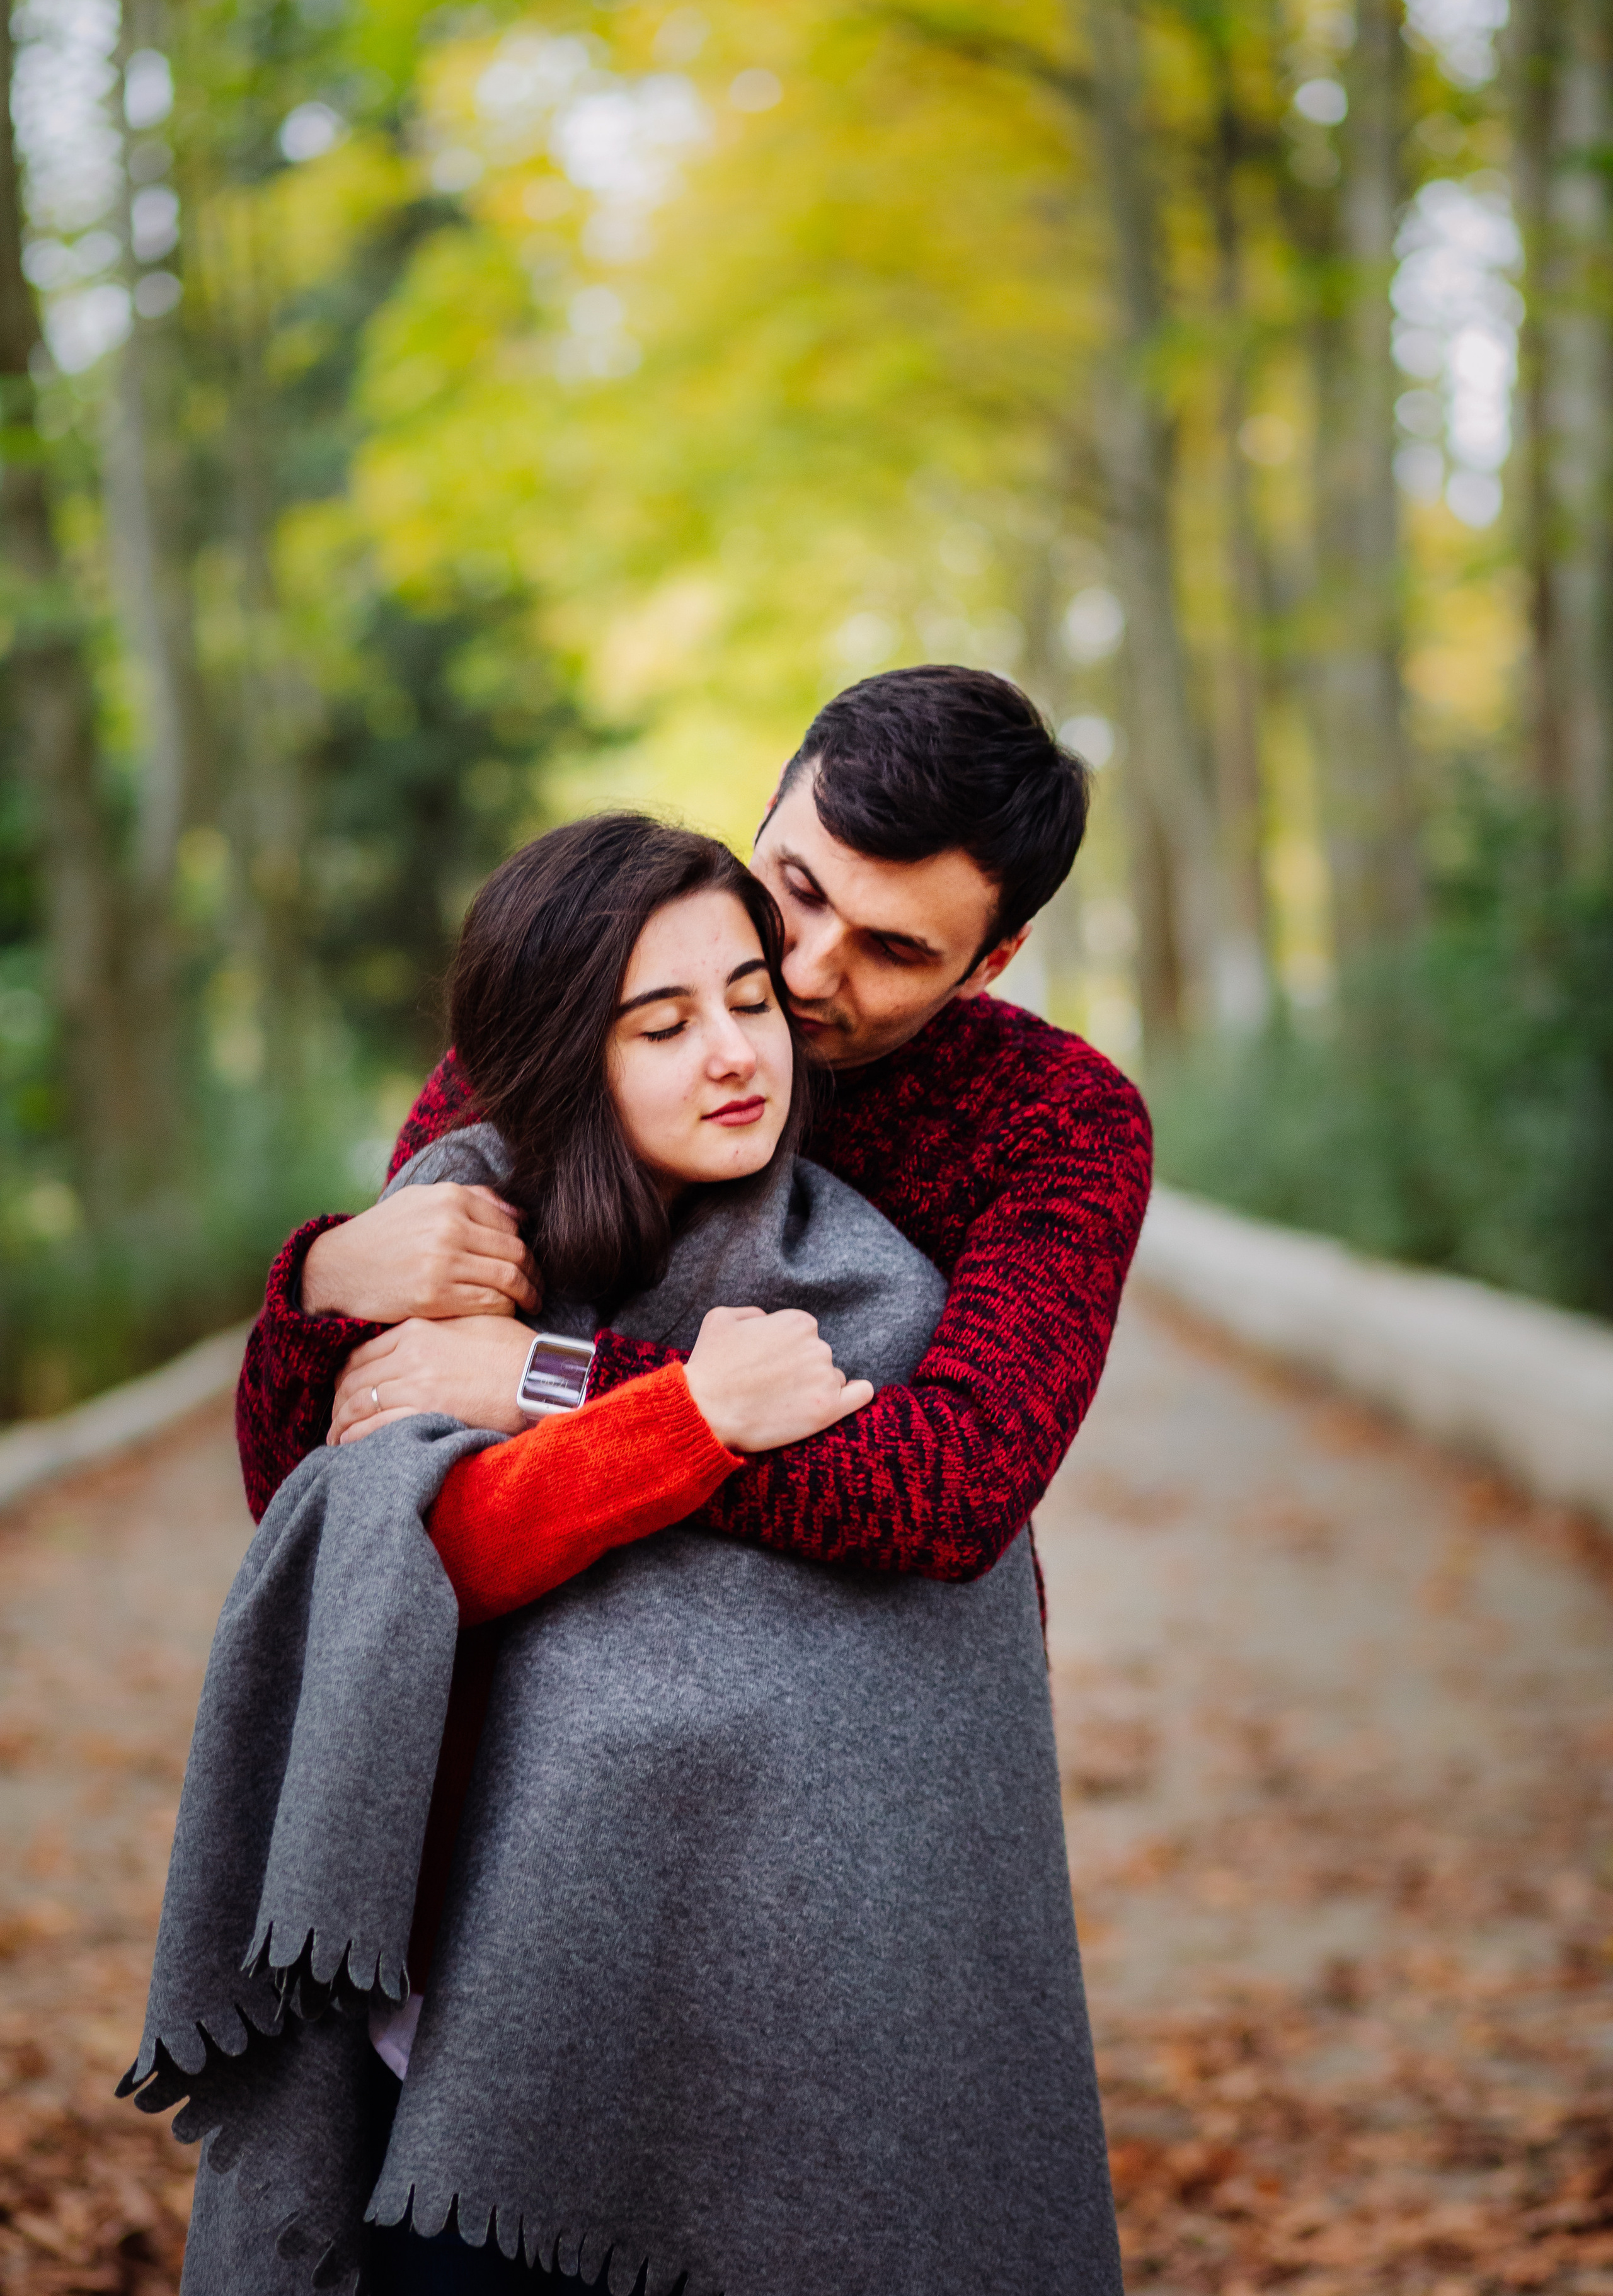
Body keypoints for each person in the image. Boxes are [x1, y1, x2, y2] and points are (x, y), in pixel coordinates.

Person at [132, 814, 1128, 2296]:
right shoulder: (473, 1203)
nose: (764, 1023)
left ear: (988, 961)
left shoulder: (887, 1280)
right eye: (664, 1025)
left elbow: (942, 1496)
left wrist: (586, 1396)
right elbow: (347, 1533)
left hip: (814, 1982)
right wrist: (325, 1276)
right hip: (484, 1989)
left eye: (751, 998)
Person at [234, 666, 1154, 1602]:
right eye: (800, 889)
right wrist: (322, 1282)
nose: (806, 971)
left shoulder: (1059, 1117)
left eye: (893, 949)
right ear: (770, 809)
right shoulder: (580, 1020)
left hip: (882, 1675)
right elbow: (315, 1500)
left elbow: (960, 1485)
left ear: (990, 962)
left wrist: (549, 1380)